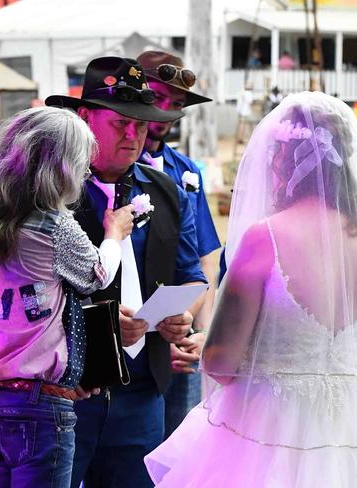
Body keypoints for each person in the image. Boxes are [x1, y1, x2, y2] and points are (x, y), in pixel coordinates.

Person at [145, 93, 357, 487]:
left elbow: (220, 362)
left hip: (271, 427)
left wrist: (229, 348)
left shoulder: (265, 237)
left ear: (286, 161)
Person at [0, 106, 136, 487]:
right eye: (82, 163)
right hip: (38, 405)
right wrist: (114, 234)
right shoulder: (54, 225)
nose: (86, 173)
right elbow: (96, 276)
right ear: (61, 167)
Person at [45, 56, 207, 488]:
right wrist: (88, 324)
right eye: (121, 122)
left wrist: (180, 315)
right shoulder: (49, 193)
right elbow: (25, 288)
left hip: (141, 391)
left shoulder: (166, 191)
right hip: (67, 390)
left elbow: (190, 273)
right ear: (84, 118)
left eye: (142, 121)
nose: (134, 134)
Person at [136, 50, 221, 437]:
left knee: (176, 452)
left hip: (179, 333)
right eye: (159, 98)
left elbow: (206, 260)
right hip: (127, 334)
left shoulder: (187, 172)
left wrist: (197, 333)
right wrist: (152, 336)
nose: (168, 112)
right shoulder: (108, 168)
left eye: (178, 104)